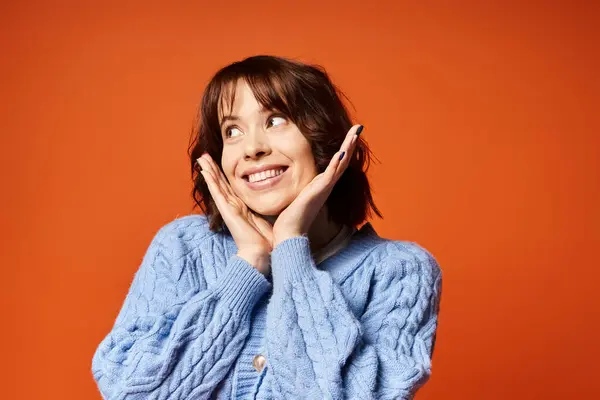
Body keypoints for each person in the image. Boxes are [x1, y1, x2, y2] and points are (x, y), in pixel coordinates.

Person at [91, 55, 443, 400]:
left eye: (275, 121)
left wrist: (291, 246)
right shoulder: (183, 246)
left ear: (323, 139)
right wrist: (247, 266)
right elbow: (129, 391)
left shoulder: (399, 271)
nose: (253, 148)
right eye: (232, 131)